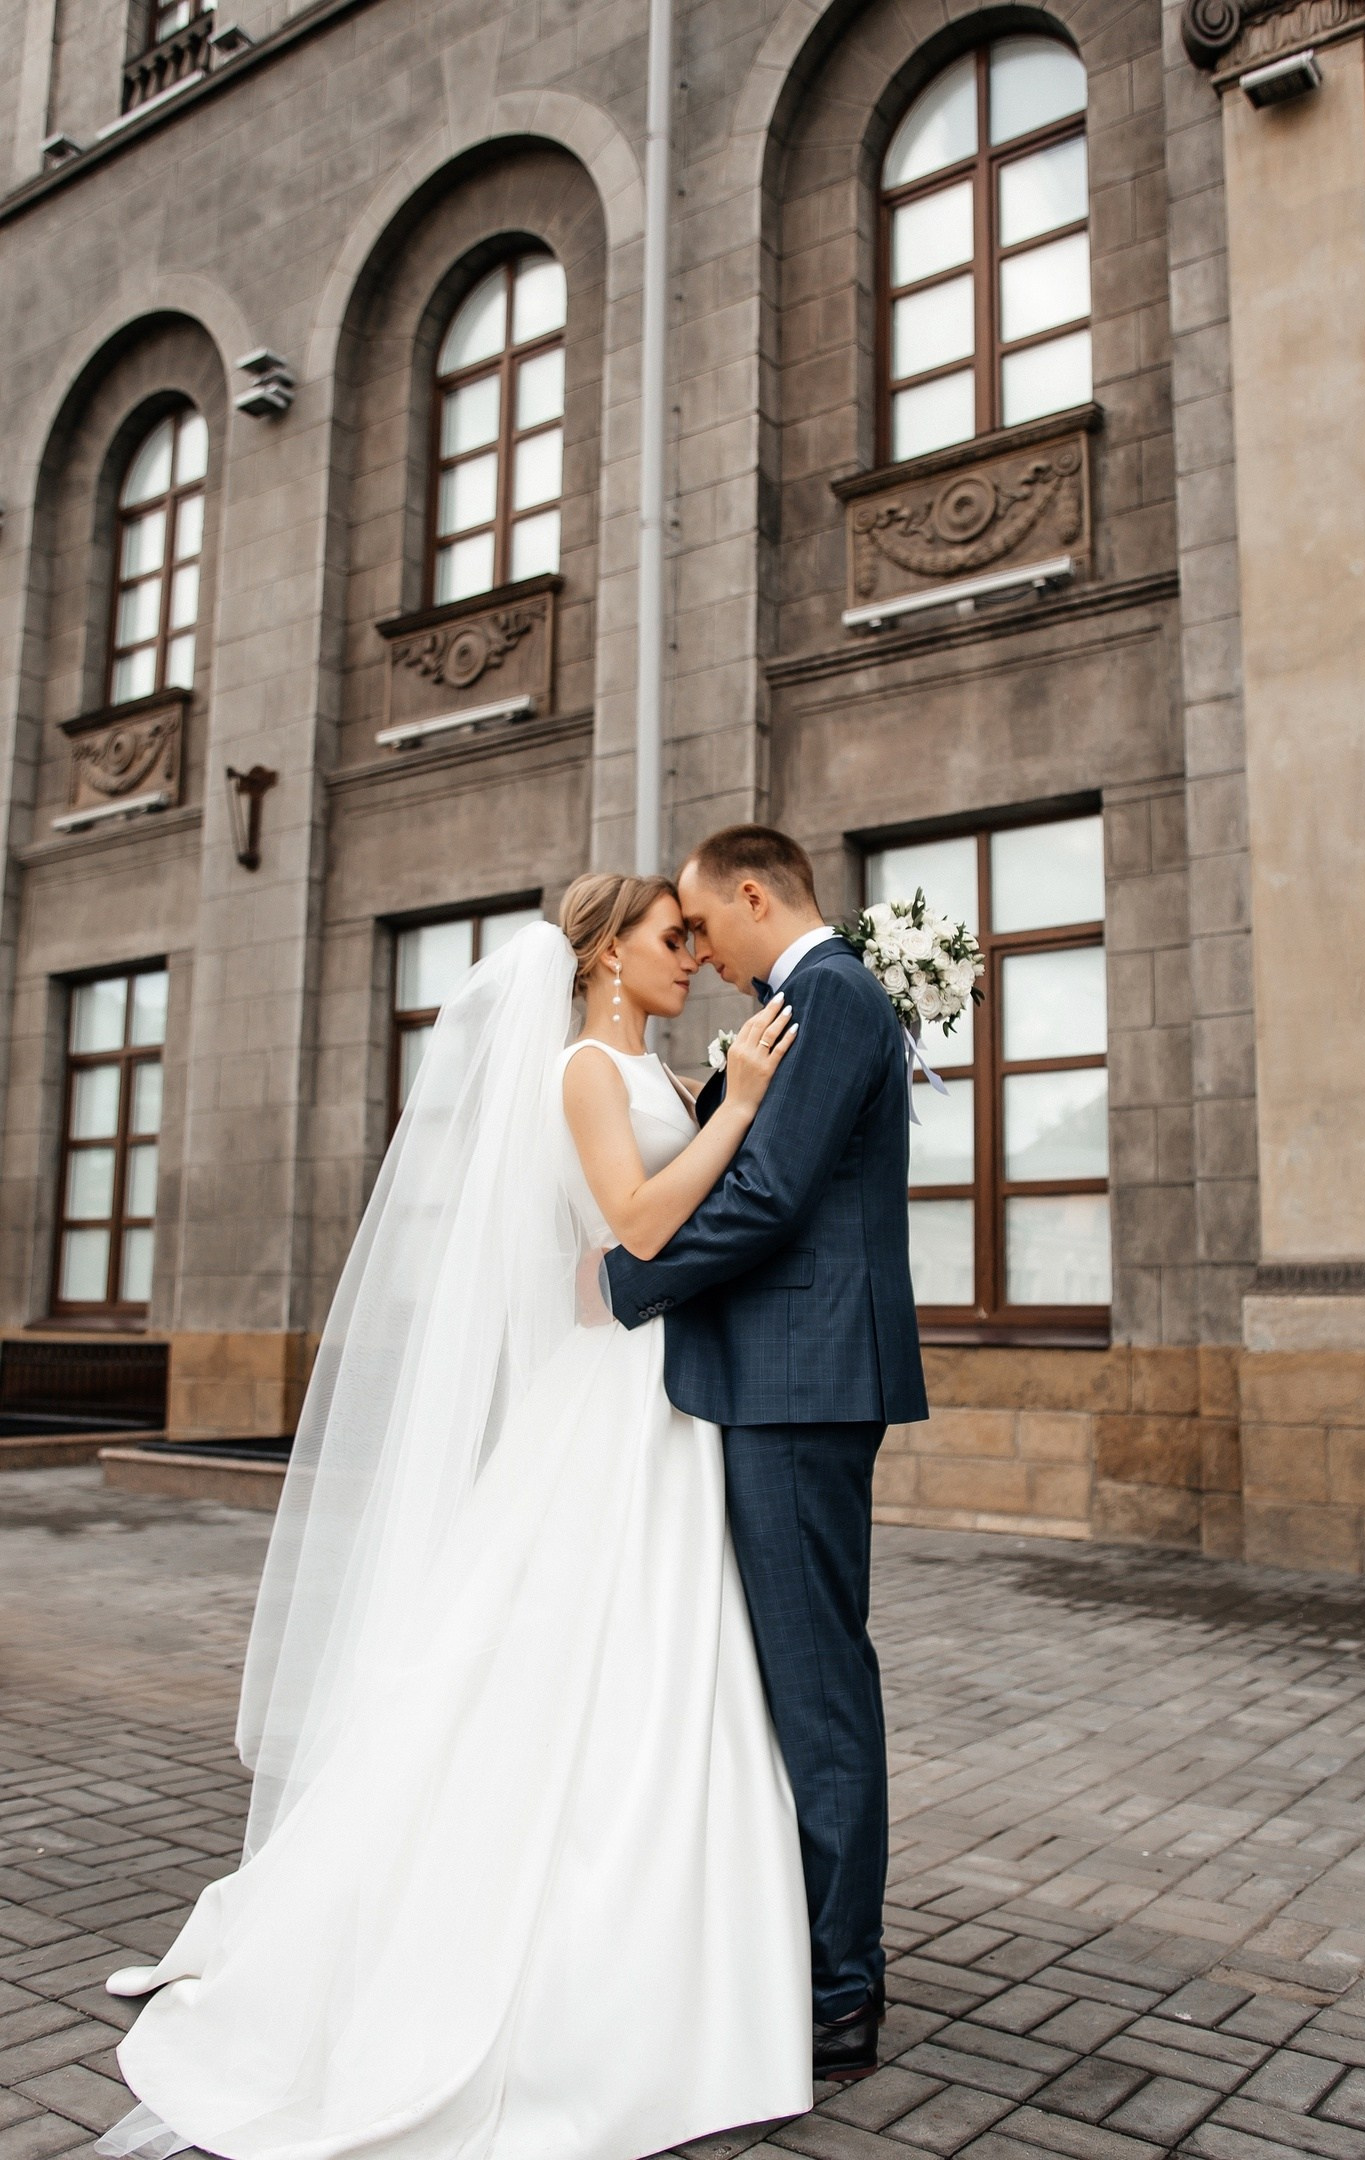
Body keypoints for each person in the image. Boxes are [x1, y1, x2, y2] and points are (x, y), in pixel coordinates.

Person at [95, 875, 815, 2160]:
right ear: (603, 958)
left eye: (696, 936)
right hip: (619, 1394)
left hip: (663, 1383)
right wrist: (744, 1110)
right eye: (670, 938)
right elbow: (641, 1223)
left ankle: (678, 1937)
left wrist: (716, 1107)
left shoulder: (653, 1073)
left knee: (665, 1658)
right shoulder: (586, 1074)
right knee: (589, 1653)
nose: (693, 957)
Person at [602, 825, 928, 2083]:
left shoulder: (831, 994)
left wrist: (628, 1280)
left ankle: (840, 1989)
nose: (701, 951)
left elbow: (771, 1196)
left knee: (817, 1685)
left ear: (752, 896)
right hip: (784, 1378)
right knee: (791, 1677)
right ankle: (797, 1950)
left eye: (701, 925)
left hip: (800, 1384)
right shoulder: (813, 999)